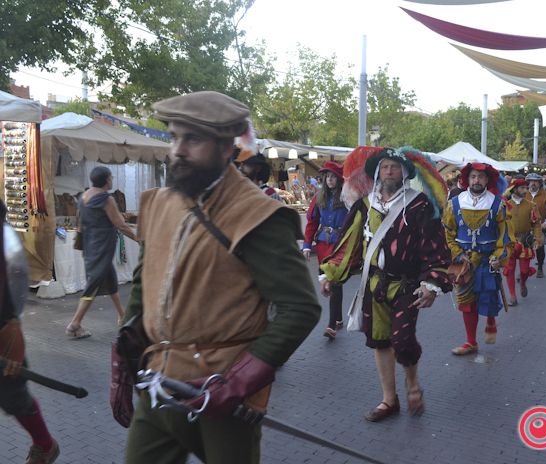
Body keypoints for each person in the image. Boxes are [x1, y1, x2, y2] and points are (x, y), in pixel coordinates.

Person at [122, 91, 320, 463]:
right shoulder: (160, 202)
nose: (177, 150)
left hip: (219, 394)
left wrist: (238, 383)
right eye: (174, 137)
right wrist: (126, 345)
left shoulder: (258, 215)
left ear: (227, 147)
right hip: (158, 384)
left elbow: (300, 309)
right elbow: (143, 282)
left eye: (192, 139)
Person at [320, 147, 451, 422]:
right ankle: (388, 400)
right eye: (384, 167)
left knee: (402, 340)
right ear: (377, 172)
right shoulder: (366, 204)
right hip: (374, 283)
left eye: (393, 167)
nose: (388, 171)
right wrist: (330, 274)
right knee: (379, 341)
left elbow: (435, 248)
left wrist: (431, 283)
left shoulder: (419, 205)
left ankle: (412, 383)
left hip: (407, 285)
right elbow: (349, 240)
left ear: (404, 173)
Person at [1, 200, 60, 464]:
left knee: (13, 396)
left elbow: (16, 281)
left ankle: (45, 445)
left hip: (3, 331)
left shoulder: (5, 239)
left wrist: (13, 330)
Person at [443, 163, 511, 355]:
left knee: (488, 295)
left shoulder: (498, 205)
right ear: (467, 179)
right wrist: (457, 253)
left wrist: (499, 257)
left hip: (487, 260)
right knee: (466, 302)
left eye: (481, 177)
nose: (476, 180)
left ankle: (491, 320)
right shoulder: (454, 204)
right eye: (473, 176)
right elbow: (447, 233)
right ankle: (471, 342)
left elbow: (505, 237)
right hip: (464, 263)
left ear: (487, 180)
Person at [65, 167, 138, 339]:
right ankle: (75, 324)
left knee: (110, 280)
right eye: (111, 178)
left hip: (91, 246)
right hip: (102, 248)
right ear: (107, 180)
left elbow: (81, 223)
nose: (112, 180)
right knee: (93, 284)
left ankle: (122, 316)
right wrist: (139, 239)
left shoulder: (83, 197)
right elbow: (120, 224)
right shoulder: (107, 199)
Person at [302, 161, 349, 340]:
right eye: (327, 176)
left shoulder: (347, 197)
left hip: (340, 245)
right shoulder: (318, 197)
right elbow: (312, 223)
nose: (330, 180)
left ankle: (331, 325)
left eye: (333, 177)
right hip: (322, 245)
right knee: (330, 283)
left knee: (334, 281)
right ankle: (337, 318)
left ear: (339, 179)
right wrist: (307, 244)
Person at [502, 178, 541, 306]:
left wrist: (537, 238)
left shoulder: (531, 205)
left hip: (525, 242)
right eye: (523, 188)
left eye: (526, 188)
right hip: (509, 242)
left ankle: (523, 283)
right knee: (510, 269)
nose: (526, 190)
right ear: (515, 189)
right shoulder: (504, 205)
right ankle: (512, 296)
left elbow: (536, 224)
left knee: (524, 271)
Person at [524, 173, 546, 278]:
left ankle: (540, 267)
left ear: (539, 183)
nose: (533, 183)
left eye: (535, 181)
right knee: (524, 249)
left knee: (539, 247)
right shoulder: (523, 194)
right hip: (525, 226)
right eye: (531, 181)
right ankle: (525, 269)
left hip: (540, 226)